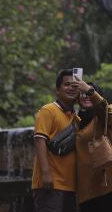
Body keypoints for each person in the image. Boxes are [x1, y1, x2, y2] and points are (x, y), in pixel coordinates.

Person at [31, 69, 80, 212]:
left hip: (70, 185)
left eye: (75, 86)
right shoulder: (48, 110)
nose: (71, 88)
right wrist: (46, 174)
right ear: (57, 90)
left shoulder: (76, 118)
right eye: (67, 84)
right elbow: (39, 140)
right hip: (51, 184)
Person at [75, 83, 112, 212]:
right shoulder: (76, 122)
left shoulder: (105, 116)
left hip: (109, 186)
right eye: (82, 93)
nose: (85, 96)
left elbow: (105, 110)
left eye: (89, 93)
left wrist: (89, 91)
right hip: (87, 190)